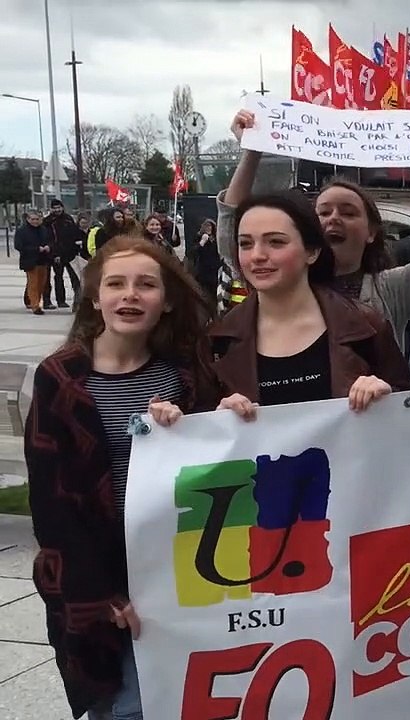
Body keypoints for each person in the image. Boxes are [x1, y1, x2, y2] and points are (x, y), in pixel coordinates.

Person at [25, 234, 220, 720]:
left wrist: (227, 417)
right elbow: (53, 507)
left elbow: (221, 467)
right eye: (116, 283)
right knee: (125, 706)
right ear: (95, 296)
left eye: (145, 285)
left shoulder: (185, 373)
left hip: (183, 574)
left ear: (168, 301)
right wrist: (99, 594)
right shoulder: (61, 379)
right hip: (103, 580)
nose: (130, 295)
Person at [220, 110, 410, 352]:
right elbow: (232, 228)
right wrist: (251, 152)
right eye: (323, 212)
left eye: (348, 212)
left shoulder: (391, 289)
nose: (334, 219)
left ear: (371, 232)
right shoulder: (283, 282)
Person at [210, 192, 410, 419]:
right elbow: (195, 434)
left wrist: (387, 396)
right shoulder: (218, 340)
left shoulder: (366, 325)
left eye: (276, 242)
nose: (257, 255)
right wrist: (215, 420)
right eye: (245, 244)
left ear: (312, 251)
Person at [44, 199, 83, 308]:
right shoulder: (48, 221)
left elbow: (75, 234)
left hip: (70, 253)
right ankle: (52, 300)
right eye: (55, 208)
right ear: (51, 209)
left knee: (74, 277)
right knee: (56, 277)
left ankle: (73, 301)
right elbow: (49, 238)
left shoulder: (68, 219)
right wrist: (55, 254)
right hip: (55, 254)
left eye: (59, 207)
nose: (57, 210)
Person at [16, 209, 52, 314]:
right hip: (30, 261)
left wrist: (48, 247)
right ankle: (35, 306)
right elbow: (19, 246)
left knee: (42, 284)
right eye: (33, 219)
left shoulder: (44, 230)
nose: (35, 221)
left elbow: (50, 241)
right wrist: (36, 249)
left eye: (37, 219)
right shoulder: (22, 231)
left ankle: (33, 301)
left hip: (43, 260)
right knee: (33, 283)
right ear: (28, 219)